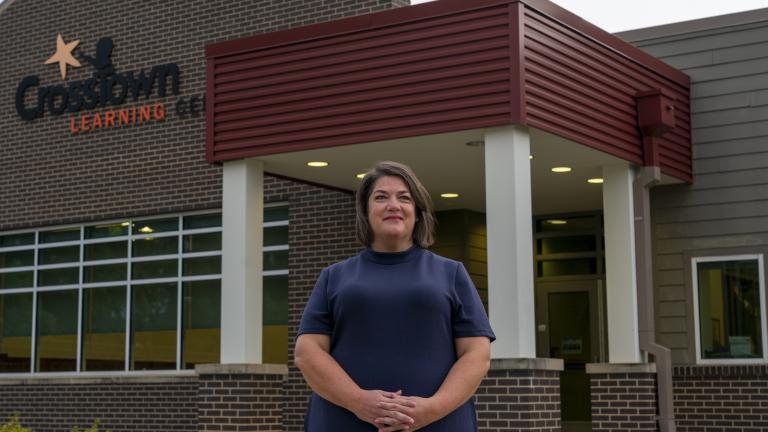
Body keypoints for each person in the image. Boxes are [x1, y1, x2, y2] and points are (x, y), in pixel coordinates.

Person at [295, 161, 495, 431]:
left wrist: (431, 409)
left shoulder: (452, 273)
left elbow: (477, 353)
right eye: (381, 197)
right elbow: (307, 353)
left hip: (439, 424)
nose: (393, 205)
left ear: (417, 212)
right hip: (342, 422)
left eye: (404, 198)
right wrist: (360, 402)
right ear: (365, 212)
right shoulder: (334, 277)